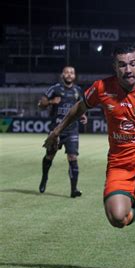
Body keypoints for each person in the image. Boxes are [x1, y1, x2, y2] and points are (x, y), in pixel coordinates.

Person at [44, 43, 135, 268]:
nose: (128, 69)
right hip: (119, 162)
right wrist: (56, 131)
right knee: (118, 218)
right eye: (122, 65)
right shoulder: (102, 88)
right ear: (115, 67)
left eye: (133, 64)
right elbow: (79, 108)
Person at [38, 66, 87, 197]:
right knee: (50, 156)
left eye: (72, 72)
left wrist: (83, 115)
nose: (69, 74)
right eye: (67, 72)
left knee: (73, 157)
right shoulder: (55, 89)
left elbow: (81, 106)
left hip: (72, 130)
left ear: (75, 76)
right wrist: (50, 101)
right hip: (56, 130)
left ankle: (73, 190)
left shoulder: (78, 90)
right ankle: (44, 178)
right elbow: (40, 105)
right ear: (62, 75)